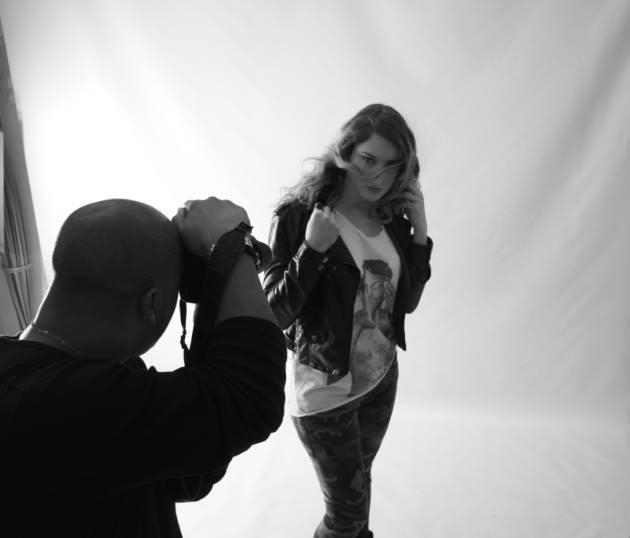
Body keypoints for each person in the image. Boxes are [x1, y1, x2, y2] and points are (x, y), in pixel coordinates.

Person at [0, 197, 286, 537]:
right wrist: (234, 242)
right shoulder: (63, 403)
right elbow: (248, 396)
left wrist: (218, 280)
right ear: (151, 304)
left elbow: (187, 471)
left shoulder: (53, 376)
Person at [264, 103, 433, 538]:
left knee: (359, 490)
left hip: (380, 380)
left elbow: (407, 302)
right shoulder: (299, 217)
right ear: (344, 152)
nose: (379, 177)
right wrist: (311, 251)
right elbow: (274, 314)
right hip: (325, 392)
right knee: (347, 517)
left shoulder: (391, 219)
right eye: (368, 159)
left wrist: (419, 232)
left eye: (392, 166)